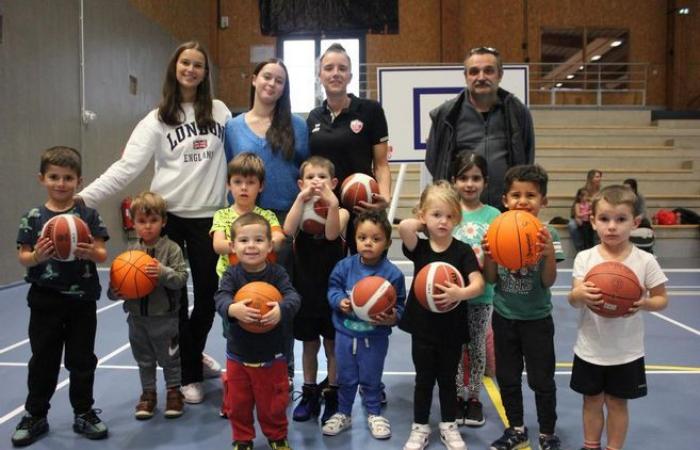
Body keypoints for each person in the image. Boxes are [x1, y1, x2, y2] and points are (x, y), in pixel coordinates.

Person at [77, 41, 231, 403]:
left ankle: (190, 352)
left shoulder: (221, 112)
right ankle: (189, 371)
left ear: (206, 73)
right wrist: (82, 199)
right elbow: (127, 167)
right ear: (174, 68)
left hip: (211, 218)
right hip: (171, 219)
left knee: (210, 297)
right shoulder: (158, 117)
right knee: (172, 300)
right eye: (185, 63)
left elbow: (244, 156)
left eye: (198, 64)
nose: (191, 69)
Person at [13, 146, 109, 447]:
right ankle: (35, 414)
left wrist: (89, 252)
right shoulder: (33, 217)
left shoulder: (88, 215)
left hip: (81, 301)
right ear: (42, 178)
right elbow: (24, 257)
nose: (61, 183)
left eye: (68, 178)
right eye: (54, 177)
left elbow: (102, 252)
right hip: (45, 301)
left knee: (82, 360)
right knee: (43, 360)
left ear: (79, 181)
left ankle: (84, 412)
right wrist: (37, 256)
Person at [224, 58, 308, 386]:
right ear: (254, 79)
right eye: (267, 77)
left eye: (280, 81)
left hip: (285, 224)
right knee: (244, 296)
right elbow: (231, 175)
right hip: (247, 225)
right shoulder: (233, 127)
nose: (272, 84)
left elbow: (305, 173)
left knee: (278, 299)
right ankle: (241, 368)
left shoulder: (296, 126)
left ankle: (282, 368)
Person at [567, 185, 668, 450]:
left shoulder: (645, 260)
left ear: (635, 223)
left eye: (621, 219)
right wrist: (580, 295)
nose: (612, 226)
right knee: (591, 401)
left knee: (616, 403)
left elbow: (662, 299)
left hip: (626, 351)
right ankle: (591, 446)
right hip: (590, 348)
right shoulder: (584, 258)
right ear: (592, 221)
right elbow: (573, 299)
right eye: (604, 219)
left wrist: (645, 303)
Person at [482, 164, 565, 450]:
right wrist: (489, 255)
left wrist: (549, 255)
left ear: (544, 201)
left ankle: (547, 433)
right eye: (516, 194)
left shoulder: (549, 234)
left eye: (531, 195)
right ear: (505, 200)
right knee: (507, 377)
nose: (523, 201)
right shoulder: (497, 229)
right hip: (504, 317)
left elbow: (548, 281)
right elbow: (491, 279)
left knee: (542, 380)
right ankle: (515, 428)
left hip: (537, 320)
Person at [398, 181, 485, 450]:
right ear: (423, 216)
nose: (443, 221)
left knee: (448, 379)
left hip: (451, 328)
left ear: (457, 219)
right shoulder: (420, 248)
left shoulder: (462, 251)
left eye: (450, 216)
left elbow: (478, 284)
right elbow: (404, 227)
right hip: (422, 327)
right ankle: (420, 427)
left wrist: (461, 293)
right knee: (423, 379)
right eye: (437, 215)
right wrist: (424, 222)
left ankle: (448, 425)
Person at [214, 213, 300, 450]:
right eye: (243, 241)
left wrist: (281, 309)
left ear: (270, 245)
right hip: (238, 355)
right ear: (232, 246)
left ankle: (277, 436)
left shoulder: (277, 273)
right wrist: (233, 309)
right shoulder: (231, 275)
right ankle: (242, 439)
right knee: (238, 403)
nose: (251, 245)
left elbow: (293, 297)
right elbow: (220, 298)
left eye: (259, 240)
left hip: (272, 355)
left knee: (273, 402)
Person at [322, 211, 406, 439]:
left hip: (375, 337)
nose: (368, 243)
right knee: (345, 377)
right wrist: (339, 301)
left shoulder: (393, 274)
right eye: (362, 237)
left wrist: (392, 317)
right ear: (354, 239)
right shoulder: (344, 267)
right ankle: (343, 413)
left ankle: (374, 413)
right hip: (345, 334)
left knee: (371, 377)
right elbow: (333, 289)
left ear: (388, 242)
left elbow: (400, 305)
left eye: (376, 239)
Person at [107, 191, 189, 420]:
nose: (148, 226)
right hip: (137, 318)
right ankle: (148, 394)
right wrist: (115, 290)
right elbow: (116, 290)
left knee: (170, 359)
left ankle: (174, 392)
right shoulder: (129, 253)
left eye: (153, 220)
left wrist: (162, 272)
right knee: (144, 359)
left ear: (163, 221)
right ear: (133, 223)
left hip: (165, 318)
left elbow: (181, 279)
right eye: (142, 221)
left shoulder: (171, 249)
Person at [425, 46, 535, 210]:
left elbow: (526, 160)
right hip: (459, 214)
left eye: (488, 71)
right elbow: (434, 162)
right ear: (466, 76)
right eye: (474, 71)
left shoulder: (518, 112)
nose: (481, 77)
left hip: (505, 213)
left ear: (500, 74)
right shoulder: (447, 114)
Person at [283, 156, 349, 424]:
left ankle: (332, 394)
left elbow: (333, 234)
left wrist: (332, 203)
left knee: (332, 346)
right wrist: (301, 199)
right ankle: (310, 392)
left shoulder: (341, 211)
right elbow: (288, 230)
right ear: (301, 184)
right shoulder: (299, 210)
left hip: (333, 292)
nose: (316, 182)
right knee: (309, 346)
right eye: (310, 178)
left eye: (322, 177)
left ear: (333, 183)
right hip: (305, 290)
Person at [307, 42, 391, 253]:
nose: (335, 73)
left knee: (365, 278)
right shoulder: (314, 117)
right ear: (320, 75)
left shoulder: (371, 110)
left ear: (350, 76)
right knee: (328, 277)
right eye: (329, 68)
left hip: (363, 208)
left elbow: (381, 164)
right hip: (325, 209)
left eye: (342, 68)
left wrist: (385, 198)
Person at [450, 152, 501, 427]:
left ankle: (474, 398)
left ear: (485, 182)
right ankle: (457, 395)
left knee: (477, 345)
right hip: (452, 297)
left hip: (482, 295)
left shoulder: (494, 215)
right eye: (464, 178)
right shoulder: (449, 212)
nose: (470, 184)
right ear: (453, 181)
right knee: (457, 347)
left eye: (476, 178)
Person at [211, 152, 285, 278]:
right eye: (238, 182)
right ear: (229, 185)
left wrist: (250, 246)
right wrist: (251, 245)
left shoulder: (268, 216)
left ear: (260, 186)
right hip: (230, 278)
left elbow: (279, 240)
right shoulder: (221, 215)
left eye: (250, 182)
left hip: (263, 276)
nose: (244, 187)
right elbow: (218, 245)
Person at [569, 170, 603, 252]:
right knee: (572, 225)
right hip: (582, 216)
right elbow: (575, 205)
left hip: (595, 216)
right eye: (597, 177)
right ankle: (580, 250)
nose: (599, 179)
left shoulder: (601, 192)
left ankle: (596, 250)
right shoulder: (582, 191)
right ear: (591, 178)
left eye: (599, 177)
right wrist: (577, 217)